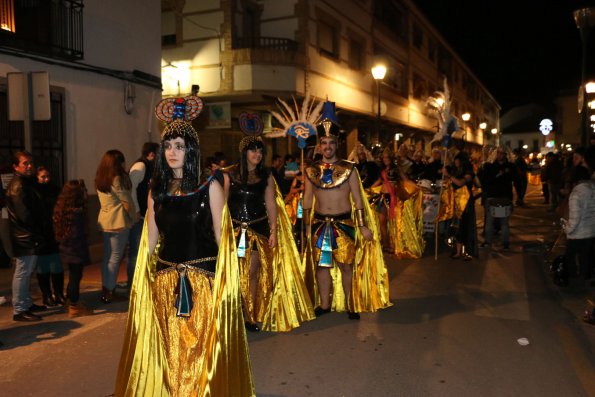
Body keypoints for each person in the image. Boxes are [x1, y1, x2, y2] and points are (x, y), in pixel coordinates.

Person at [115, 96, 254, 396]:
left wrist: (227, 286)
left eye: (179, 146)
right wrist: (143, 283)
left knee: (197, 347)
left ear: (190, 149)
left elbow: (222, 238)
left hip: (203, 282)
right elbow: (150, 240)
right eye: (167, 146)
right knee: (170, 347)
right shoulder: (157, 191)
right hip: (166, 284)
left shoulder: (210, 187)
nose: (172, 152)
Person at [228, 136, 313, 332]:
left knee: (252, 273)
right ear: (244, 153)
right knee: (234, 273)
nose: (257, 154)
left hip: (258, 230)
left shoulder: (266, 175)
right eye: (253, 151)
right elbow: (221, 204)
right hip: (233, 232)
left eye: (260, 151)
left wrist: (274, 230)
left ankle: (250, 316)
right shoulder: (230, 176)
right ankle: (235, 311)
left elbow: (271, 204)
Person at [303, 134, 391, 320]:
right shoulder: (311, 171)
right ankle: (325, 305)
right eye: (324, 143)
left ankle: (351, 305)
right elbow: (307, 199)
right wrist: (305, 226)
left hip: (344, 224)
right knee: (322, 266)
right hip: (319, 224)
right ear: (320, 147)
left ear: (337, 146)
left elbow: (358, 199)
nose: (327, 147)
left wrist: (362, 225)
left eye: (331, 143)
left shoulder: (349, 169)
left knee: (345, 266)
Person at [7, 151, 50, 321]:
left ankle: (26, 303)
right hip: (24, 236)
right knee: (23, 272)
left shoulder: (25, 183)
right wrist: (37, 230)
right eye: (25, 163)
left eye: (30, 162)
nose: (29, 166)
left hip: (28, 234)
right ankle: (19, 309)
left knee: (26, 271)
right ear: (16, 166)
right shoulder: (18, 185)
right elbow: (24, 214)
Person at [95, 150, 137, 303]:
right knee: (115, 258)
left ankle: (106, 288)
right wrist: (134, 216)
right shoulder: (117, 178)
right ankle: (110, 291)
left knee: (107, 257)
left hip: (105, 220)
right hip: (118, 221)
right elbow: (126, 200)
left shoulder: (100, 177)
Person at [53, 179, 93, 317]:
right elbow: (76, 235)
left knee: (73, 276)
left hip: (68, 249)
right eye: (84, 191)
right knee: (75, 277)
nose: (86, 193)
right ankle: (74, 306)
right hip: (75, 250)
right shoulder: (77, 213)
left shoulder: (64, 210)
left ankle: (71, 301)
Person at [127, 141, 159, 288]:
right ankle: (133, 283)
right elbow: (130, 189)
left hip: (145, 215)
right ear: (151, 154)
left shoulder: (150, 167)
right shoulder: (140, 167)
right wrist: (136, 210)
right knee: (136, 251)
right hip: (138, 216)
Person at [34, 166, 65, 306]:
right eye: (42, 177)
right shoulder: (33, 191)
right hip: (40, 233)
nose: (46, 179)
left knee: (56, 264)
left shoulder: (55, 190)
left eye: (47, 176)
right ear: (37, 178)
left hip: (54, 232)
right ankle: (46, 295)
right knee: (42, 267)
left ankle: (58, 293)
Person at [561, 166, 595, 284]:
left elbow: (575, 217)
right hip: (590, 230)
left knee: (570, 256)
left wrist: (567, 229)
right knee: (585, 257)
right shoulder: (592, 189)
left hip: (577, 233)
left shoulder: (576, 194)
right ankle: (584, 277)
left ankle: (574, 279)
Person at [443, 152, 477, 260]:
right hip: (456, 203)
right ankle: (458, 252)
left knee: (466, 227)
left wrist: (449, 176)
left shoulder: (469, 173)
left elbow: (460, 183)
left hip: (466, 204)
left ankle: (468, 252)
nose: (456, 162)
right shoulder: (456, 171)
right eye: (455, 160)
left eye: (458, 160)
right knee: (457, 228)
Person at [482, 147, 514, 250]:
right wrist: (497, 175)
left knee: (503, 222)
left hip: (504, 198)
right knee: (491, 222)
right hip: (493, 197)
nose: (501, 155)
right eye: (499, 153)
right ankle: (488, 241)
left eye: (503, 153)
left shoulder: (510, 166)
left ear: (505, 155)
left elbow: (515, 179)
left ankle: (504, 243)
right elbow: (485, 180)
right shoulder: (489, 166)